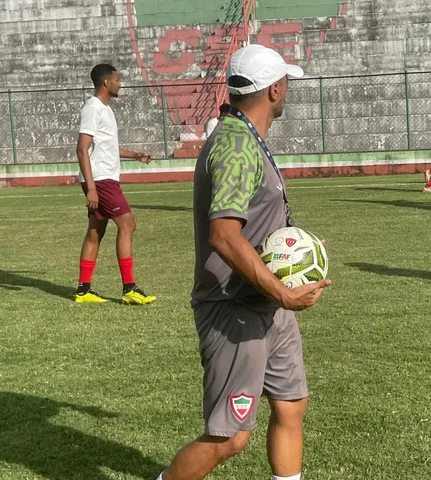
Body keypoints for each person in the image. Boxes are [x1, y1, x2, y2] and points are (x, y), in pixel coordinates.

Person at [157, 45, 331, 480]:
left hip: (267, 304)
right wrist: (284, 292)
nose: (288, 89)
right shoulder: (236, 145)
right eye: (286, 82)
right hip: (234, 306)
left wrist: (293, 257)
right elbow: (224, 236)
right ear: (274, 90)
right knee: (229, 437)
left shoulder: (247, 137)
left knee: (291, 405)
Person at [74, 63, 156, 304]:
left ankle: (83, 290)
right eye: (117, 80)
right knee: (128, 224)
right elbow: (82, 149)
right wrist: (90, 187)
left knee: (95, 231)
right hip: (100, 180)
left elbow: (107, 146)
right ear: (106, 83)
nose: (120, 83)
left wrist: (135, 155)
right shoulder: (93, 108)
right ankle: (129, 288)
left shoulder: (105, 110)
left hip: (102, 179)